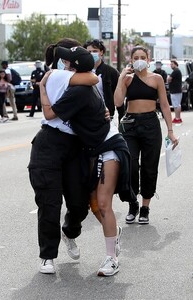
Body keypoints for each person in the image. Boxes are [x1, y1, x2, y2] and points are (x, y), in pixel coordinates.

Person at [40, 45, 136, 276]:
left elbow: (49, 114)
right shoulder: (86, 84)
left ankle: (111, 259)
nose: (62, 63)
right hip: (94, 148)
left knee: (103, 203)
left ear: (72, 66)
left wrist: (43, 87)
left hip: (109, 146)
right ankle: (114, 234)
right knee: (94, 203)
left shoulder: (78, 90)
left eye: (66, 61)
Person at [28, 38, 104, 275]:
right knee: (50, 203)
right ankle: (47, 256)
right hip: (49, 144)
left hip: (75, 146)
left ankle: (69, 232)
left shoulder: (71, 79)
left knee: (79, 203)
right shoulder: (58, 75)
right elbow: (93, 78)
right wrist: (43, 87)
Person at [114, 45, 179, 225]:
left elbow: (165, 105)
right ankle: (133, 203)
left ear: (148, 59)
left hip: (151, 124)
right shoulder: (127, 79)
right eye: (136, 57)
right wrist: (121, 78)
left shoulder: (157, 78)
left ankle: (145, 208)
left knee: (150, 167)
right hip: (130, 126)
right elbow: (118, 102)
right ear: (131, 60)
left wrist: (171, 131)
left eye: (143, 56)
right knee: (130, 165)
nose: (139, 60)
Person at [83, 39, 125, 123]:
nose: (92, 54)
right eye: (89, 52)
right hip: (85, 117)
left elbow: (120, 100)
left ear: (101, 52)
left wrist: (122, 122)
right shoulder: (81, 72)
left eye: (95, 51)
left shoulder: (111, 72)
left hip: (106, 118)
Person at [167, 59, 183, 124]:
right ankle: (178, 117)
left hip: (175, 91)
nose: (171, 65)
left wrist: (168, 79)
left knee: (176, 105)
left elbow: (169, 79)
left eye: (172, 64)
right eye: (170, 64)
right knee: (177, 104)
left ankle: (177, 118)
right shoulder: (177, 71)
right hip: (177, 90)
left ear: (175, 64)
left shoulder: (176, 71)